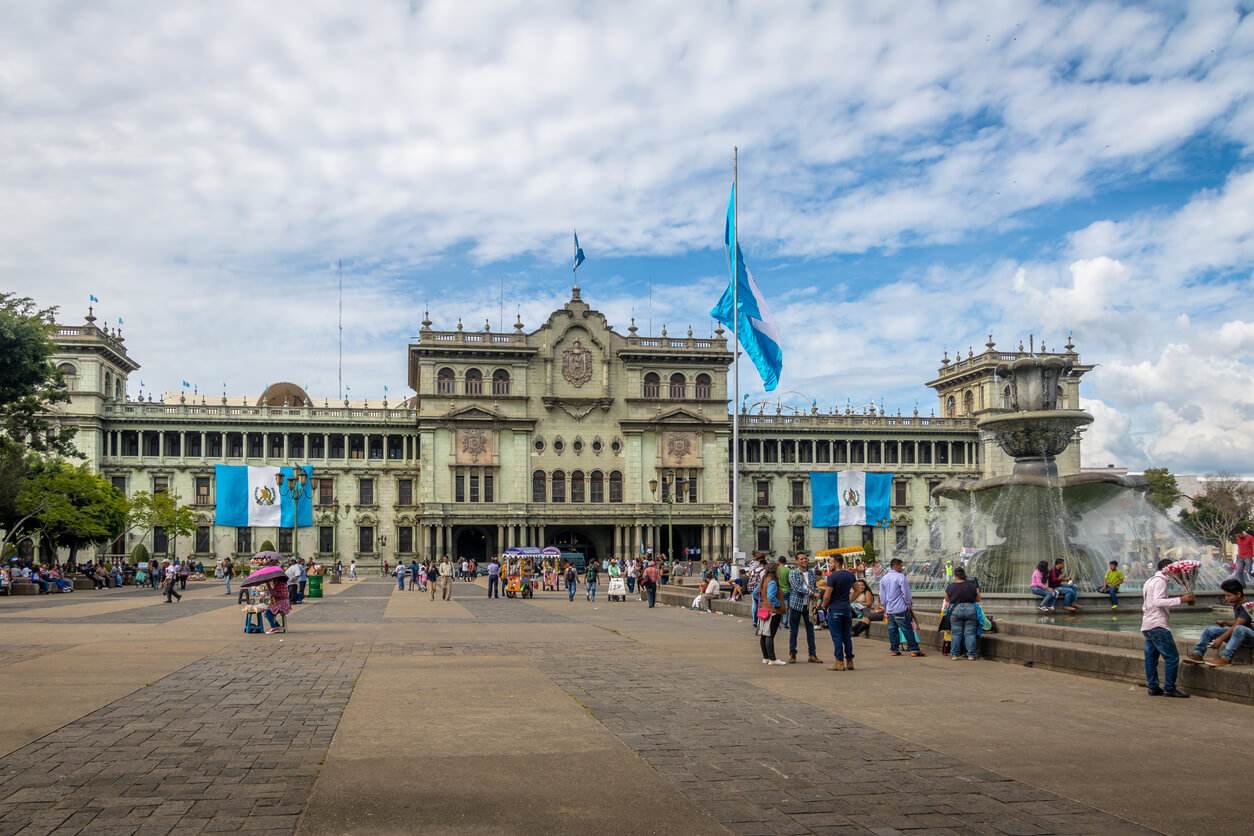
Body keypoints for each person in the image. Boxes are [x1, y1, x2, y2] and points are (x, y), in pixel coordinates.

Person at [1141, 557, 1196, 697]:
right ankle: (1169, 688)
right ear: (1168, 569)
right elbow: (1158, 602)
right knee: (1172, 657)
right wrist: (1181, 599)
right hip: (1158, 624)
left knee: (1151, 658)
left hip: (1147, 624)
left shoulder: (1150, 580)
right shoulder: (1160, 581)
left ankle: (1153, 687)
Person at [1185, 579, 1252, 667]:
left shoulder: (1249, 605)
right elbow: (1241, 620)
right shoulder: (1237, 604)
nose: (1226, 598)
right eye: (1225, 595)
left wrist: (1220, 639)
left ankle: (1226, 658)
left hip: (1250, 637)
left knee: (1239, 628)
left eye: (1229, 596)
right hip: (1240, 634)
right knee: (1210, 629)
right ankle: (1198, 654)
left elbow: (1238, 624)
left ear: (1238, 594)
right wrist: (1226, 623)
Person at [879, 557, 924, 656]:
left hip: (890, 609)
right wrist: (908, 604)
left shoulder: (884, 578)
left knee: (892, 630)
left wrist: (885, 606)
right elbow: (906, 593)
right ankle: (915, 649)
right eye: (901, 566)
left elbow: (882, 595)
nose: (902, 568)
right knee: (907, 629)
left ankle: (894, 650)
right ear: (896, 565)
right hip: (900, 608)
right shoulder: (900, 577)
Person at [821, 556, 859, 670]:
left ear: (837, 563)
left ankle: (839, 662)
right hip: (846, 609)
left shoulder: (832, 577)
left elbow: (827, 595)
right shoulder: (850, 575)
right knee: (847, 636)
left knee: (837, 636)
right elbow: (857, 590)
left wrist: (824, 605)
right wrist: (849, 601)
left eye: (831, 562)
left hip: (835, 609)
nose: (829, 565)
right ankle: (850, 661)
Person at [786, 553, 823, 664]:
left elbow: (814, 585)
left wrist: (816, 593)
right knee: (794, 631)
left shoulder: (811, 573)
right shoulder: (793, 573)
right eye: (801, 559)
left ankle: (812, 654)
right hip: (796, 605)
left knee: (810, 631)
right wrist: (812, 593)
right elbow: (797, 588)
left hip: (809, 606)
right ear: (797, 561)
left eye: (806, 558)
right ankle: (792, 653)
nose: (804, 560)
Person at [944, 567, 982, 660]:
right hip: (970, 609)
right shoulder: (972, 585)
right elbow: (978, 599)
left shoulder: (951, 586)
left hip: (955, 609)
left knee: (956, 633)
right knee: (970, 634)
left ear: (955, 575)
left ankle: (954, 655)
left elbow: (947, 599)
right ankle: (971, 655)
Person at [756, 562, 787, 665]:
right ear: (775, 570)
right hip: (772, 611)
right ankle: (772, 659)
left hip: (764, 609)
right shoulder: (773, 581)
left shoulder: (764, 580)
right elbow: (771, 596)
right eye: (778, 570)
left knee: (764, 635)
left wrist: (763, 601)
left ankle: (765, 657)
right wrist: (777, 604)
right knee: (770, 635)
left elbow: (755, 593)